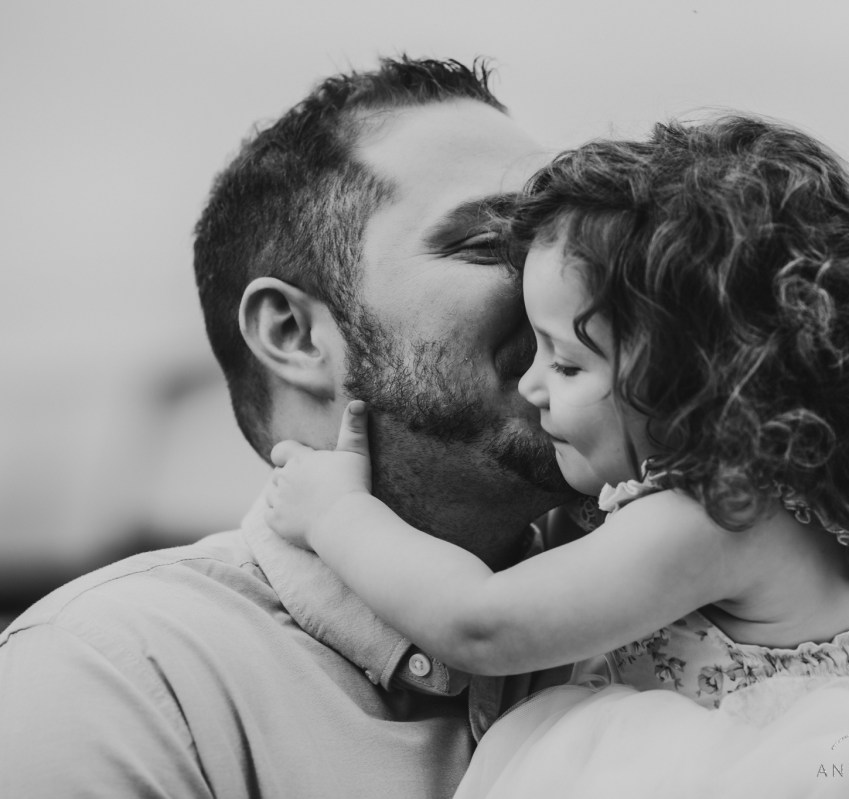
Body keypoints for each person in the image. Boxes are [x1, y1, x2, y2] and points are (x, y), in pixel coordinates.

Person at [265, 116, 849, 798]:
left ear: (689, 376)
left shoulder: (716, 515)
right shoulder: (808, 497)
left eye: (567, 362)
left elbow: (481, 623)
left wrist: (338, 513)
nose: (531, 383)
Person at [0, 57, 579, 798]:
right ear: (293, 334)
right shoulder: (117, 676)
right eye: (492, 243)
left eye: (572, 244)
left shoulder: (679, 614)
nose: (568, 286)